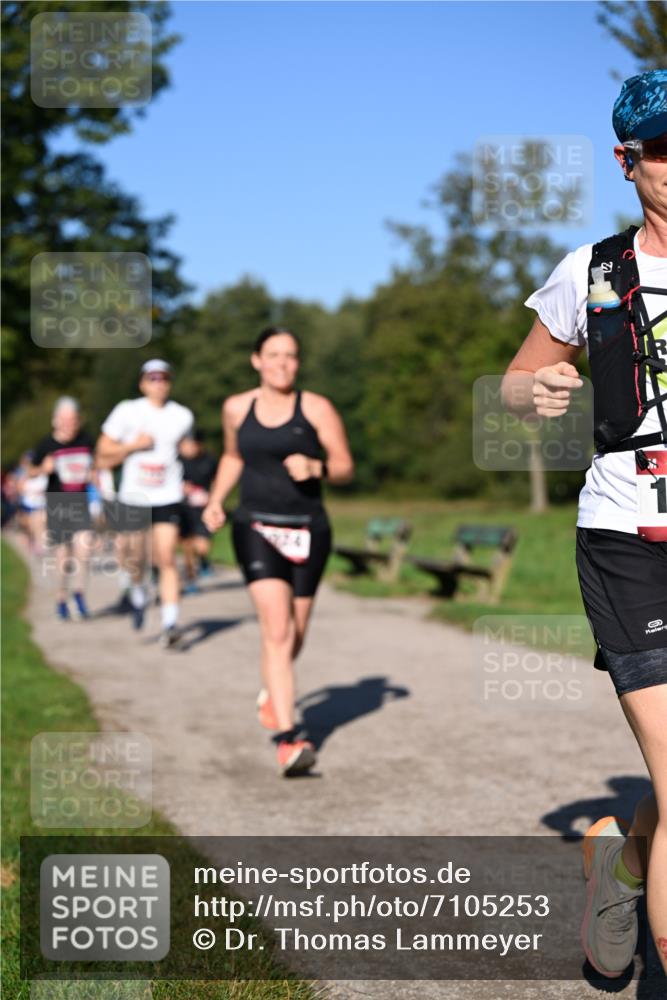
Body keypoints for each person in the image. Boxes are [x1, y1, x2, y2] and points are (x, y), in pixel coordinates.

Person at [502, 71, 667, 979]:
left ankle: (622, 864)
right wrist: (544, 387)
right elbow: (514, 385)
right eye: (660, 148)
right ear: (626, 160)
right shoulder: (592, 270)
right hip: (626, 533)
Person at [203, 327, 354, 776]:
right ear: (256, 360)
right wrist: (215, 499)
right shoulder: (236, 407)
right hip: (255, 526)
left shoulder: (316, 407)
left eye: (290, 356)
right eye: (273, 355)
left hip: (309, 529)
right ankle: (290, 739)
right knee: (277, 630)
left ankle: (274, 692)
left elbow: (345, 466)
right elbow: (233, 456)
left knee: (296, 634)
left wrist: (317, 467)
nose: (282, 363)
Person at [96, 359, 194, 648]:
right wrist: (132, 446)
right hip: (133, 495)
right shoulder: (127, 411)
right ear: (142, 383)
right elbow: (102, 453)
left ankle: (170, 624)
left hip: (167, 495)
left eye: (164, 377)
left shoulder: (182, 416)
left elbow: (185, 446)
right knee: (132, 557)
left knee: (166, 557)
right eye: (152, 378)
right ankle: (138, 593)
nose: (159, 382)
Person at [31, 398, 95, 620]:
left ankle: (79, 595)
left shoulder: (87, 440)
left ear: (79, 420)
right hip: (57, 503)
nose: (69, 424)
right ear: (55, 421)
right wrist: (42, 468)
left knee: (85, 551)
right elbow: (29, 471)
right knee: (62, 557)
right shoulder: (46, 444)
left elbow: (98, 465)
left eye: (73, 419)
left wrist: (95, 473)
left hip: (81, 502)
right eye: (65, 419)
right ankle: (61, 597)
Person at [179, 430, 218, 593]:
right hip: (182, 508)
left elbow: (218, 479)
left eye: (192, 444)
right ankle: (190, 578)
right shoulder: (174, 461)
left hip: (202, 508)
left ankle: (203, 560)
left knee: (202, 546)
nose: (188, 448)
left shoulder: (209, 461)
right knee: (187, 546)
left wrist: (214, 497)